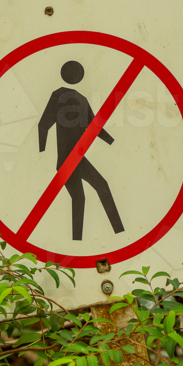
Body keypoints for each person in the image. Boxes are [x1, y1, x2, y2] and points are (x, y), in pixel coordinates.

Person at [38, 60, 125, 241]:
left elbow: (43, 125)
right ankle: (116, 234)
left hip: (71, 160)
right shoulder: (79, 99)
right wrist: (112, 142)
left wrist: (42, 150)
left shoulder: (61, 96)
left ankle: (86, 241)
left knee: (83, 196)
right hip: (70, 160)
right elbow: (95, 127)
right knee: (93, 191)